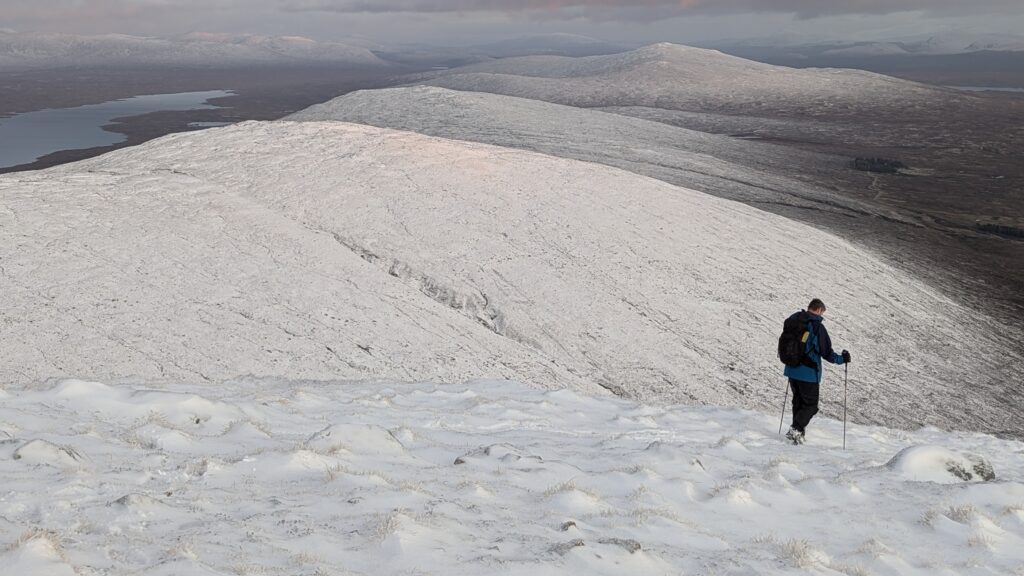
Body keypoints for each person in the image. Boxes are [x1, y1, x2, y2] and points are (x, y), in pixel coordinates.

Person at [783, 298, 851, 444]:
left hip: (791, 369)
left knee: (798, 403)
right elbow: (826, 352)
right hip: (808, 373)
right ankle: (796, 429)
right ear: (819, 310)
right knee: (811, 406)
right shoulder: (816, 326)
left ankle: (798, 435)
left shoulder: (794, 319)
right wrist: (842, 359)